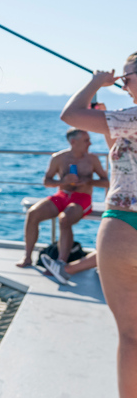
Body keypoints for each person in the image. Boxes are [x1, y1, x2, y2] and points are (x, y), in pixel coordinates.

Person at [58, 55, 137, 397]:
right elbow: (125, 161)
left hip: (124, 226)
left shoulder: (132, 117)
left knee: (131, 335)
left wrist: (95, 81)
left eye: (127, 76)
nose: (123, 83)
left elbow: (70, 116)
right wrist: (107, 123)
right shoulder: (127, 122)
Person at [15, 128, 108, 268]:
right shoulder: (59, 158)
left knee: (64, 219)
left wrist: (88, 182)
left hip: (82, 199)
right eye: (86, 140)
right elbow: (47, 181)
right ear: (73, 142)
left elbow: (106, 182)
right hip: (62, 196)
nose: (90, 143)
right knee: (32, 213)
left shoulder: (92, 159)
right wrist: (63, 182)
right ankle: (27, 257)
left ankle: (61, 263)